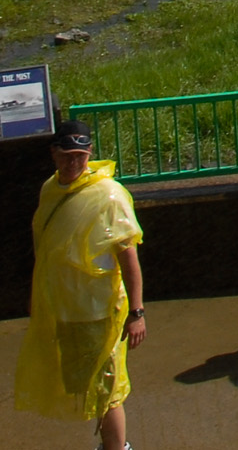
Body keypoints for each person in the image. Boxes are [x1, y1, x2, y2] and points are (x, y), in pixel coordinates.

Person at [14, 118, 146, 450]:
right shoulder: (50, 190)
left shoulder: (108, 195)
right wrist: (37, 296)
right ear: (53, 153)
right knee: (85, 389)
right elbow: (44, 249)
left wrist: (137, 311)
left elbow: (128, 256)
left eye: (80, 156)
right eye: (67, 155)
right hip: (65, 309)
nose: (74, 162)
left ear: (90, 154)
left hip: (100, 312)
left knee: (107, 393)